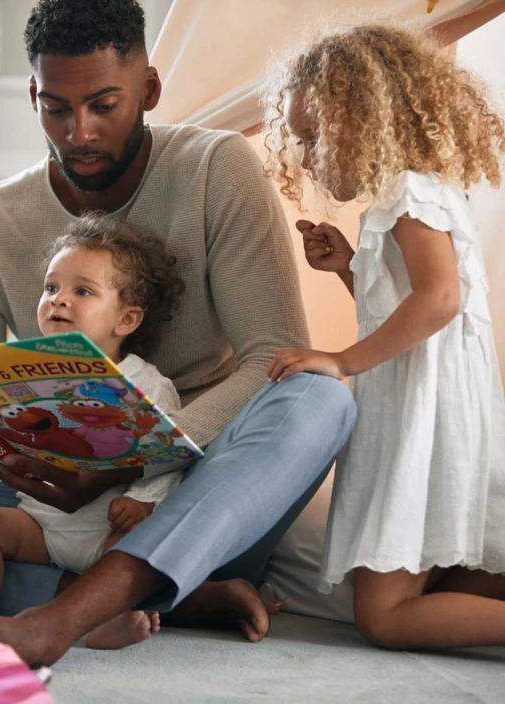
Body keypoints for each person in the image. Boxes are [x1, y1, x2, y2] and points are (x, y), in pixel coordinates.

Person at [0, 0, 356, 665]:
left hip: (195, 497)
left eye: (105, 105)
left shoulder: (217, 169)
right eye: (57, 109)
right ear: (35, 96)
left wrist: (123, 466)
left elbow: (272, 357)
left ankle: (61, 616)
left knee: (319, 397)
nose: (80, 133)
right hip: (50, 510)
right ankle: (173, 598)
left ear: (149, 90)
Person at [263, 22, 505, 649]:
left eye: (316, 136)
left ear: (366, 122)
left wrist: (340, 358)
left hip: (423, 414)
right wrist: (350, 267)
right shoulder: (407, 196)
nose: (307, 153)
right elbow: (403, 313)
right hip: (417, 398)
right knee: (440, 582)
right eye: (298, 136)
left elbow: (440, 301)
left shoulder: (410, 194)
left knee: (384, 618)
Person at [0, 214, 246, 650]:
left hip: (107, 530)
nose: (59, 301)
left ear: (126, 319)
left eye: (82, 291)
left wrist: (144, 501)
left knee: (135, 546)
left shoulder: (146, 383)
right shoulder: (23, 373)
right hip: (41, 521)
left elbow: (170, 451)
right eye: (51, 288)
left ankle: (104, 620)